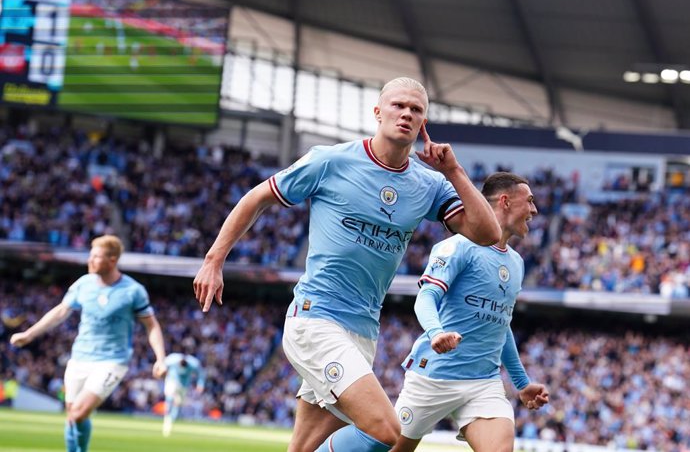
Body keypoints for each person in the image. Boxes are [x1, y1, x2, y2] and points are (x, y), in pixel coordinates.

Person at [193, 76, 501, 452]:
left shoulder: (429, 184)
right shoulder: (331, 160)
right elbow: (258, 197)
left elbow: (487, 234)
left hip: (363, 332)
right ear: (377, 112)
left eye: (416, 110)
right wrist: (214, 259)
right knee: (387, 433)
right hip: (316, 319)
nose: (406, 113)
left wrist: (454, 171)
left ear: (424, 124)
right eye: (398, 105)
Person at [392, 172, 549, 452]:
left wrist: (521, 383)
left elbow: (501, 325)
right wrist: (436, 333)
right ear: (505, 201)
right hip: (435, 376)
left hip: (482, 383)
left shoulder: (516, 263)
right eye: (530, 201)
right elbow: (425, 297)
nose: (534, 210)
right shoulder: (459, 246)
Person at [10, 235, 167, 452]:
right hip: (80, 358)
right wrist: (29, 334)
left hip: (112, 361)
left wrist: (160, 358)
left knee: (79, 413)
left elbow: (152, 326)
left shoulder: (133, 291)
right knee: (72, 417)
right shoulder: (83, 284)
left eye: (96, 257)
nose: (90, 261)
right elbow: (61, 311)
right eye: (90, 256)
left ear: (112, 260)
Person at [161, 352, 205, 437]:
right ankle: (167, 417)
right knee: (170, 398)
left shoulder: (194, 364)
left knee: (178, 404)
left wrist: (200, 384)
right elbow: (162, 365)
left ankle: (171, 420)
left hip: (184, 385)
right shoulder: (172, 360)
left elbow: (201, 373)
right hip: (172, 381)